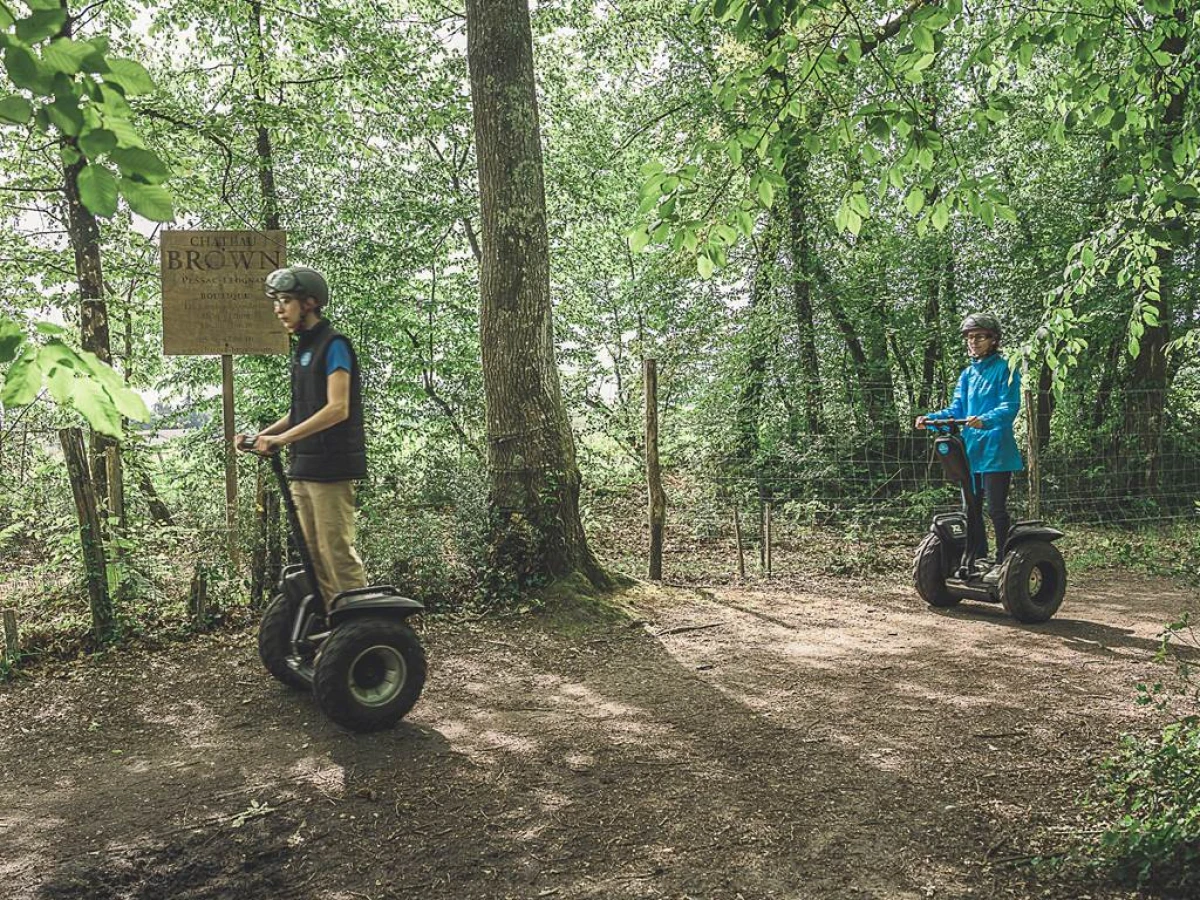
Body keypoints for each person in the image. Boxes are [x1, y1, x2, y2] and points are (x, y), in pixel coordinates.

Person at [236, 264, 367, 611]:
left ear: (309, 303)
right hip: (304, 466)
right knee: (314, 556)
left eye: (285, 301)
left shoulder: (335, 345)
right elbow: (303, 411)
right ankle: (333, 629)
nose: (278, 309)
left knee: (335, 552)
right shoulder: (304, 349)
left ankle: (363, 628)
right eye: (276, 301)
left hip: (331, 467)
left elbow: (337, 408)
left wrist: (283, 440)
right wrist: (262, 436)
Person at [915, 313, 1023, 566]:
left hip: (996, 450)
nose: (973, 342)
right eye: (969, 337)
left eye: (979, 337)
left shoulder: (1005, 369)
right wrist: (929, 418)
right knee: (970, 509)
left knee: (995, 509)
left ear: (993, 339)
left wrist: (984, 419)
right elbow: (957, 410)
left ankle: (1004, 559)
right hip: (970, 451)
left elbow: (1009, 407)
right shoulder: (967, 375)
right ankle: (978, 556)